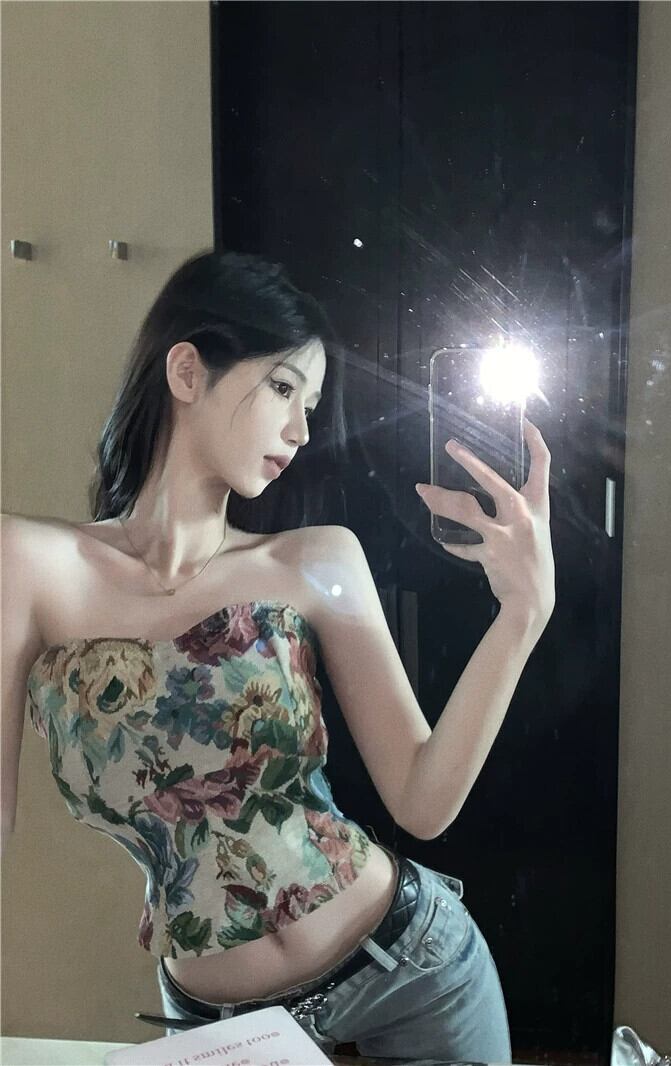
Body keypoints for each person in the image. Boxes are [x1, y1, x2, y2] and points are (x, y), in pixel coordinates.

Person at [2, 249, 555, 1061]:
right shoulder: (25, 564)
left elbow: (423, 800)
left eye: (312, 405)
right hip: (225, 1027)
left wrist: (523, 615)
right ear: (186, 371)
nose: (301, 430)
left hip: (409, 970)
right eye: (284, 388)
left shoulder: (315, 560)